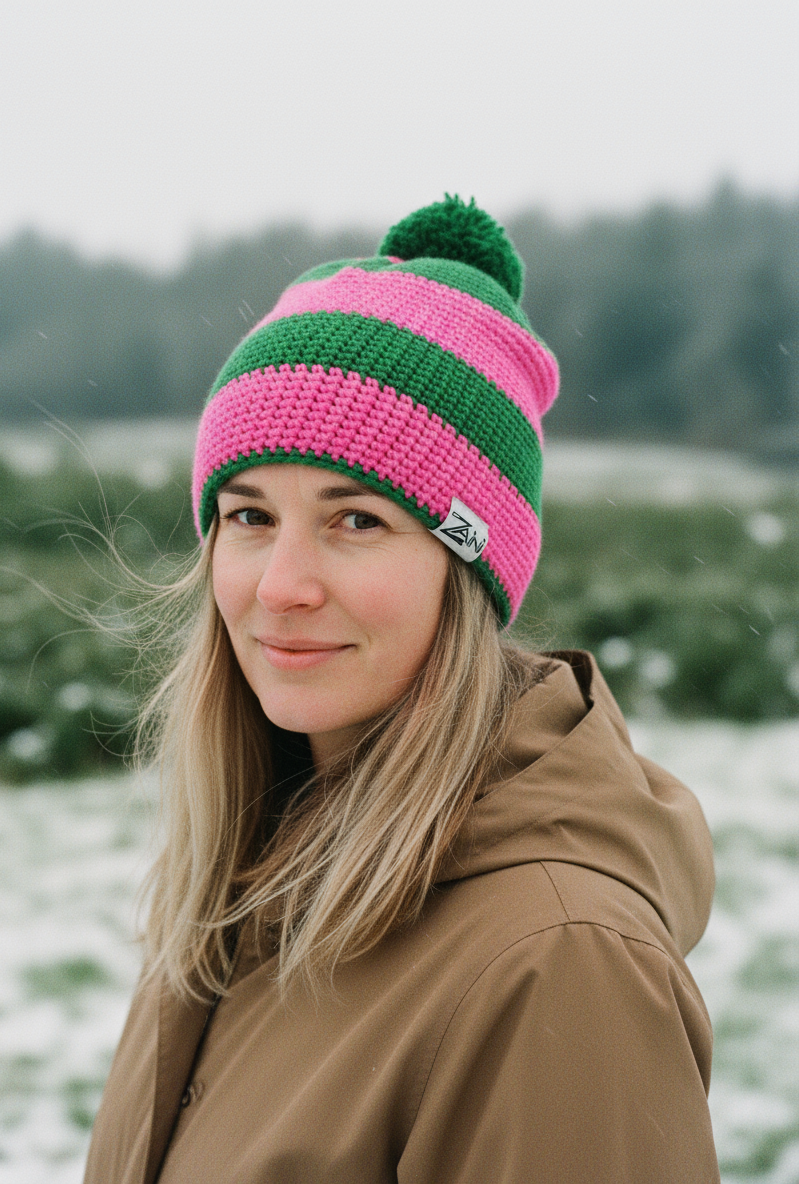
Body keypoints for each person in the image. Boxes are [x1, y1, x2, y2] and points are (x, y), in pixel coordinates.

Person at [84, 196, 720, 1183]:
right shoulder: (244, 884)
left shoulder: (560, 966)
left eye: (360, 520)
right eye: (250, 514)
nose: (283, 584)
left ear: (465, 567)